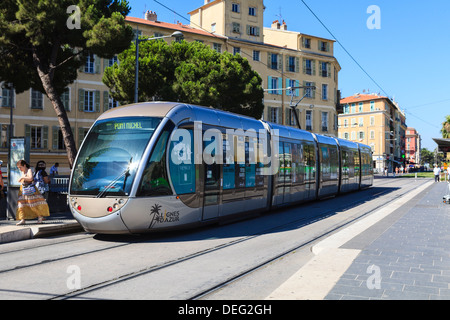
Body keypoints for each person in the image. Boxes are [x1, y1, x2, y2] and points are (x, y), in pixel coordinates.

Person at [15, 160, 50, 226]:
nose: (19, 169)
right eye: (18, 167)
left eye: (20, 167)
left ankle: (40, 217)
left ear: (24, 165)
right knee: (21, 205)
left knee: (33, 204)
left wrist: (22, 177)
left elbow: (30, 178)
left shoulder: (29, 170)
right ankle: (22, 219)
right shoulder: (23, 172)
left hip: (30, 190)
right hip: (23, 190)